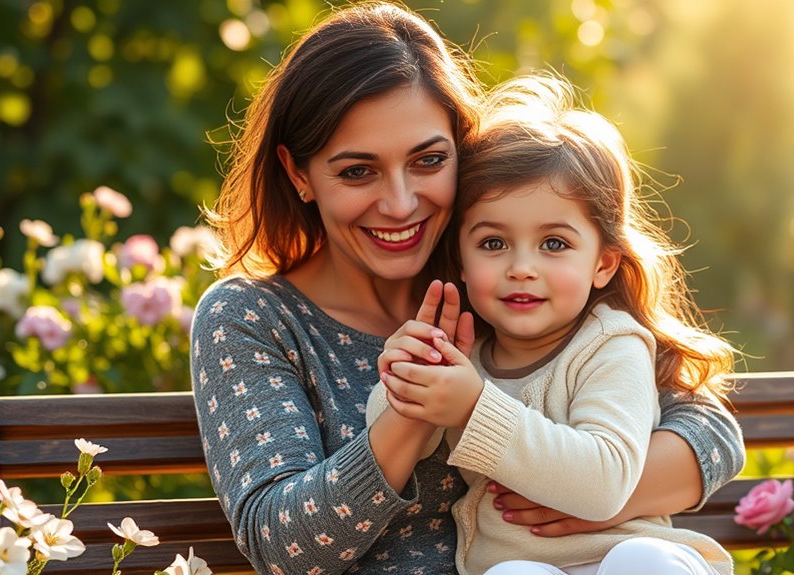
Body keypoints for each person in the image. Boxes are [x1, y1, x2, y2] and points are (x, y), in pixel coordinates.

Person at [189, 3, 743, 575]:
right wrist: (412, 412)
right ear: (299, 173)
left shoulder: (499, 284)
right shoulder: (254, 318)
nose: (401, 203)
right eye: (358, 171)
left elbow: (709, 430)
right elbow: (283, 548)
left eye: (428, 160)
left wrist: (588, 501)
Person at [369, 75, 736, 575]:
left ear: (604, 263)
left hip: (618, 559)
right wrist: (406, 378)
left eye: (554, 244)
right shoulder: (465, 353)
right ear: (459, 258)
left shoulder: (611, 345)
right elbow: (391, 440)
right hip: (523, 568)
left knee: (641, 560)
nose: (522, 267)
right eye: (493, 244)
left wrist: (475, 406)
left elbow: (604, 482)